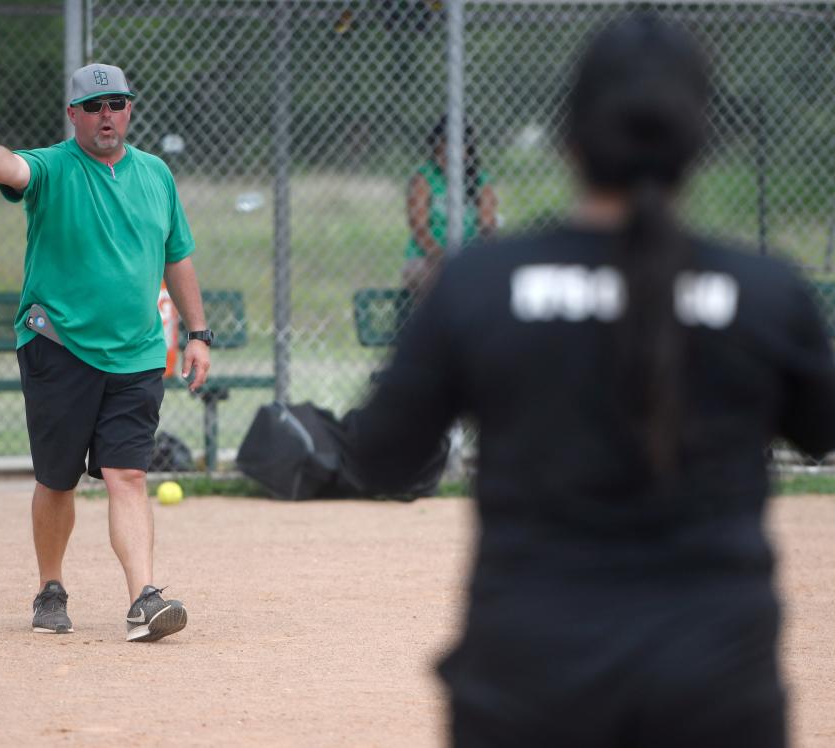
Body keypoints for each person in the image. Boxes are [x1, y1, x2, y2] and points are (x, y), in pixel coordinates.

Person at [346, 16, 835, 747]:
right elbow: (822, 431)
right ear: (698, 146)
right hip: (715, 682)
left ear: (570, 138)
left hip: (531, 679)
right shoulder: (768, 293)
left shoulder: (481, 285)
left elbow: (379, 456)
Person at [0, 63, 214, 643]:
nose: (106, 115)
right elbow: (11, 167)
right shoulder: (52, 167)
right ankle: (51, 587)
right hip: (57, 343)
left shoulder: (156, 175)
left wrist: (198, 333)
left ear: (130, 109)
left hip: (137, 352)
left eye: (116, 103)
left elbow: (178, 254)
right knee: (58, 479)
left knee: (129, 475)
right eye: (93, 106)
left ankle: (144, 597)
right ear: (74, 115)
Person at [402, 116, 498, 296]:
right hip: (427, 259)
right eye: (441, 149)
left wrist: (477, 258)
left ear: (468, 151)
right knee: (429, 276)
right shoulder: (424, 179)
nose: (446, 155)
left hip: (469, 258)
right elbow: (419, 229)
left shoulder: (479, 181)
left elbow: (487, 227)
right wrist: (444, 260)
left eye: (455, 148)